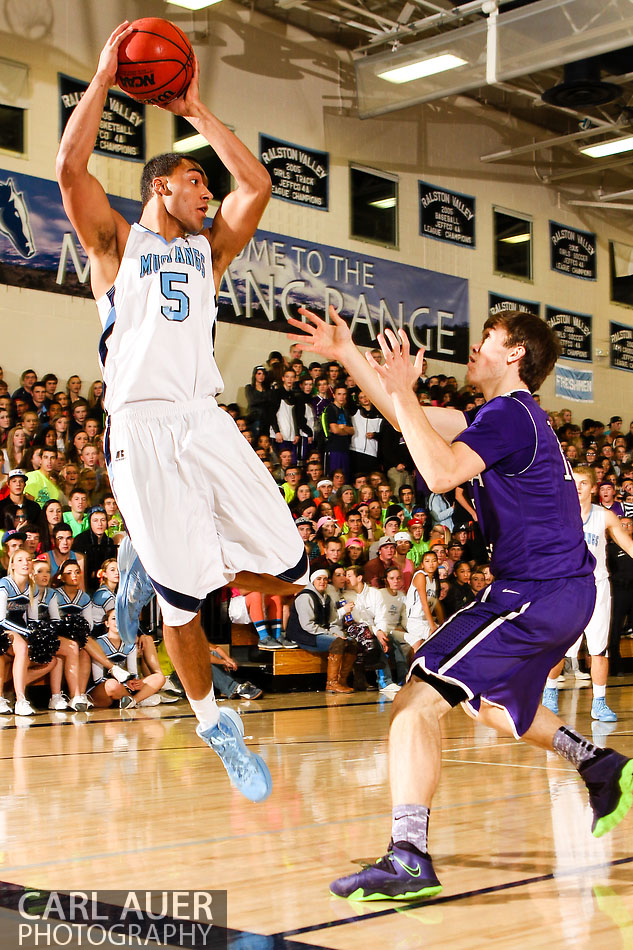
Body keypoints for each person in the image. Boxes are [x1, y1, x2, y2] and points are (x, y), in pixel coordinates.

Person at [289, 304, 631, 902]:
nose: (475, 348)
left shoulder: (507, 414)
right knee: (488, 706)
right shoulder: (506, 418)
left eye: (487, 339)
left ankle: (409, 856)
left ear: (515, 352)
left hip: (535, 592)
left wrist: (403, 392)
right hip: (555, 592)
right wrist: (349, 354)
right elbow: (408, 416)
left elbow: (441, 471)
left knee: (414, 704)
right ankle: (596, 762)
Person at [56, 22, 307, 803]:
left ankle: (159, 560)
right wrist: (102, 77)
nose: (209, 193)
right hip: (139, 425)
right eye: (195, 183)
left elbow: (256, 186)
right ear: (161, 187)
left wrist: (195, 108)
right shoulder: (114, 243)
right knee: (181, 605)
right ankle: (213, 726)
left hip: (203, 417)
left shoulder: (210, 253)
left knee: (294, 569)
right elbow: (69, 166)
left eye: (207, 185)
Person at [542, 467, 633, 722]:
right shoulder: (557, 515)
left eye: (584, 483)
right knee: (559, 648)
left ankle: (599, 702)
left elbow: (627, 544)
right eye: (575, 483)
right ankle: (549, 694)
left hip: (597, 587)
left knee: (598, 650)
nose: (578, 487)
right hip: (566, 589)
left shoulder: (604, 516)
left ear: (593, 488)